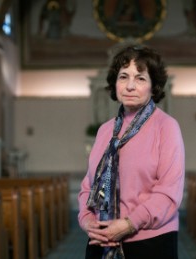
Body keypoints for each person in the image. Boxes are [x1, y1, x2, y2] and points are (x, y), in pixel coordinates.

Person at [77, 44, 185, 259]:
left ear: (154, 86)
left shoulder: (166, 126)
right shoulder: (105, 130)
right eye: (123, 77)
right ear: (115, 84)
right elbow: (88, 185)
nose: (130, 86)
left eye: (141, 78)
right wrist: (87, 221)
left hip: (150, 241)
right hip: (101, 238)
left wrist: (128, 224)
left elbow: (168, 193)